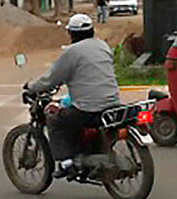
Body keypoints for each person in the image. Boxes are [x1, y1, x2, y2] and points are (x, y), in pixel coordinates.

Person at [25, 13, 121, 179]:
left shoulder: (72, 52)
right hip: (113, 104)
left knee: (54, 119)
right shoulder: (103, 46)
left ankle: (66, 163)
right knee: (72, 112)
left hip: (88, 110)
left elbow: (51, 78)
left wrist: (31, 87)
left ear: (72, 33)